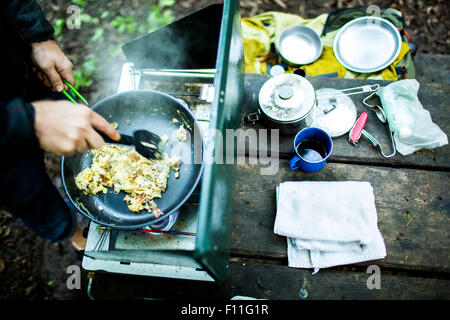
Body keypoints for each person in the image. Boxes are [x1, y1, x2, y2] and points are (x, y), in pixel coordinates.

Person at [0, 1, 120, 250]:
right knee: (28, 190)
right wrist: (23, 122)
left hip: (17, 64)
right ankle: (73, 234)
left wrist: (37, 35)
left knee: (66, 104)